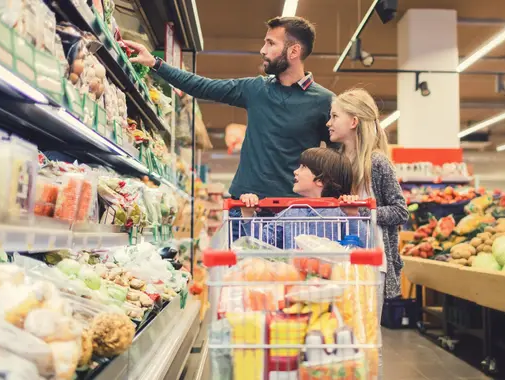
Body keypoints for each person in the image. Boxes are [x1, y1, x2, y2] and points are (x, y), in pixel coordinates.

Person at [124, 16, 334, 204]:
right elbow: (201, 86)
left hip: (295, 208)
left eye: (271, 43)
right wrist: (155, 63)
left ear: (294, 51)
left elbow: (339, 157)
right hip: (246, 203)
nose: (263, 50)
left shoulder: (324, 101)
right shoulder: (256, 89)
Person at [326, 88, 408, 378]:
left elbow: (401, 210)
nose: (328, 122)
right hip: (339, 258)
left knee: (368, 338)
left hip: (373, 263)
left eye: (334, 115)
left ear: (353, 121)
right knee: (340, 333)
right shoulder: (334, 161)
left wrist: (363, 212)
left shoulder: (377, 163)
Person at [237, 147, 366, 249]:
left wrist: (352, 216)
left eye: (303, 167)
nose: (295, 171)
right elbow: (261, 243)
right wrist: (248, 214)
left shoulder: (340, 212)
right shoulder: (290, 212)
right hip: (296, 278)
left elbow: (361, 245)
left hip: (332, 279)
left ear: (320, 179)